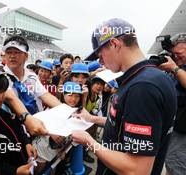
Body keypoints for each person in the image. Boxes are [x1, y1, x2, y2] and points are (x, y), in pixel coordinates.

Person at [72, 18, 177, 175]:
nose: (101, 62)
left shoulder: (142, 87)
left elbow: (137, 170)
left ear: (114, 44)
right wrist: (92, 119)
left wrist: (89, 142)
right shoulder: (150, 76)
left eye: (100, 56)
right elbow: (125, 123)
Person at [2, 35, 61, 113]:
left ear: (26, 56)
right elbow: (12, 99)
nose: (12, 56)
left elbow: (45, 95)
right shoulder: (0, 78)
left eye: (17, 52)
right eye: (9, 52)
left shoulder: (32, 77)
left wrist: (67, 110)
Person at [159, 33, 186, 175]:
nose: (175, 57)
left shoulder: (178, 69)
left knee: (177, 164)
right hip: (175, 126)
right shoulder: (180, 67)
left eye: (178, 53)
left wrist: (175, 69)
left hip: (183, 132)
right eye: (173, 54)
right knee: (171, 163)